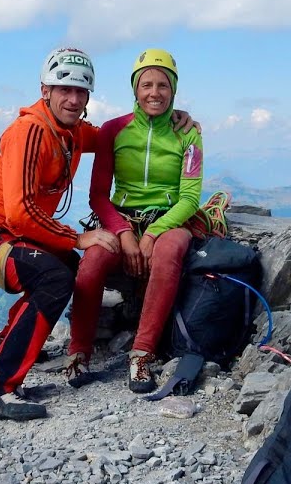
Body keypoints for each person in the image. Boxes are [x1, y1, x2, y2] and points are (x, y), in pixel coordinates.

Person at [0, 47, 198, 421]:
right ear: (45, 91)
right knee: (54, 277)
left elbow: (117, 133)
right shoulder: (30, 131)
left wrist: (178, 116)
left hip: (16, 235)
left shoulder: (70, 130)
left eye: (81, 92)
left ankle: (12, 341)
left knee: (68, 269)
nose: (73, 99)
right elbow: (19, 213)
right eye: (64, 90)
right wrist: (79, 237)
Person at [64, 48, 203, 394]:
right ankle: (78, 351)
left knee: (169, 252)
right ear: (135, 90)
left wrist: (154, 233)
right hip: (121, 218)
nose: (154, 93)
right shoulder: (113, 131)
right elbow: (98, 194)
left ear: (173, 90)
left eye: (162, 85)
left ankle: (142, 353)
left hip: (169, 220)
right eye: (146, 85)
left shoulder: (189, 134)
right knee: (94, 259)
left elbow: (190, 197)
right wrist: (124, 233)